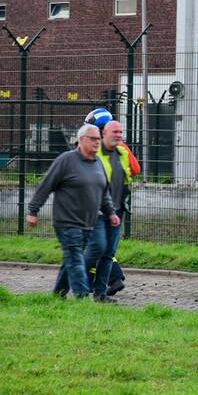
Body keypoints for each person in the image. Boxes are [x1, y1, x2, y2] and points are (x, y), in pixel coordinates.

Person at [26, 123, 120, 299]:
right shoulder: (66, 160)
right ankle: (82, 296)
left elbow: (103, 192)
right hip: (66, 222)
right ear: (81, 140)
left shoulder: (97, 162)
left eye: (98, 139)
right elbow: (46, 185)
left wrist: (111, 213)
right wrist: (33, 210)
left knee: (73, 257)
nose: (97, 142)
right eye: (93, 139)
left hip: (88, 223)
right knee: (76, 258)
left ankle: (58, 295)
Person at [88, 119, 138, 302]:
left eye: (120, 132)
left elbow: (134, 170)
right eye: (114, 132)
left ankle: (100, 294)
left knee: (108, 252)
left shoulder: (122, 152)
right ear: (104, 133)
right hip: (97, 212)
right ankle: (70, 281)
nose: (118, 135)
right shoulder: (94, 152)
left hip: (117, 211)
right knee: (97, 248)